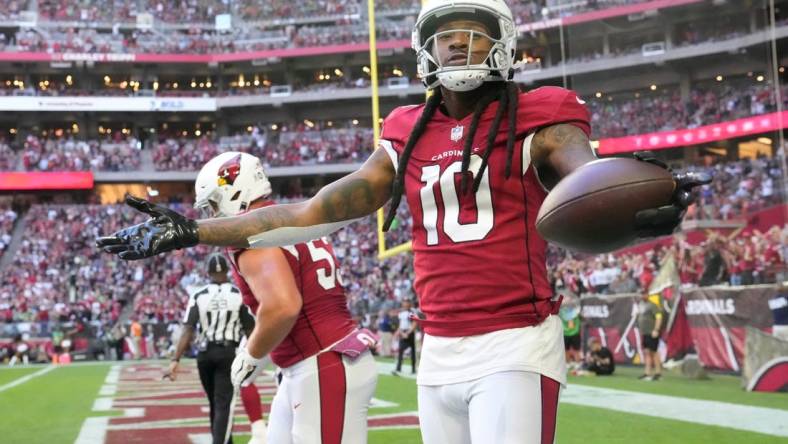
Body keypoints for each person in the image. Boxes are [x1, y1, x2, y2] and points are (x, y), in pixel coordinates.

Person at [97, 1, 709, 441]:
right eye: (448, 36)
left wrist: (624, 196)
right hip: (437, 350)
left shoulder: (541, 115)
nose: (461, 45)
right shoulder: (403, 133)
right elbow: (311, 213)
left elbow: (582, 175)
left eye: (475, 33)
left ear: (503, 43)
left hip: (514, 341)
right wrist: (194, 230)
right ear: (426, 48)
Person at [193, 152, 379, 443]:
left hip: (321, 364)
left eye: (214, 204)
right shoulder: (291, 216)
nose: (212, 216)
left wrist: (251, 354)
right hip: (319, 361)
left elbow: (283, 306)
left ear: (234, 190)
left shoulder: (251, 233)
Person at [164, 253, 266, 444]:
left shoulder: (198, 295)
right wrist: (252, 358)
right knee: (223, 404)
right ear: (227, 271)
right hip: (228, 353)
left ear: (208, 272)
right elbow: (251, 330)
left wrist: (175, 359)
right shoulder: (238, 294)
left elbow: (187, 329)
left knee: (215, 403)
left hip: (204, 355)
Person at [637, 292, 664, 381]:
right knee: (647, 352)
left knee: (654, 352)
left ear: (647, 294)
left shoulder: (653, 305)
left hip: (651, 332)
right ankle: (647, 372)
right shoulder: (640, 305)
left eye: (643, 293)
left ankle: (658, 373)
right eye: (641, 294)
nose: (642, 295)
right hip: (644, 332)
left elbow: (659, 317)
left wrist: (656, 329)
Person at [393, 299, 417, 375]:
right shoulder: (401, 313)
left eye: (407, 302)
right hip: (402, 332)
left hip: (409, 333)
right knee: (400, 351)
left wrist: (408, 333)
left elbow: (414, 323)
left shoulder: (411, 312)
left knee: (413, 352)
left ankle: (413, 369)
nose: (405, 304)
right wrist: (398, 332)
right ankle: (398, 368)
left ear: (409, 303)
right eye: (404, 302)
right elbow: (400, 324)